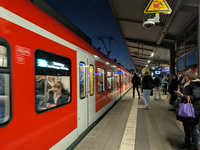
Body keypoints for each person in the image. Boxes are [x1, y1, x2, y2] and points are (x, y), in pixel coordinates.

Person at [175, 68, 200, 150]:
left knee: (192, 129)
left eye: (185, 75)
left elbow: (195, 97)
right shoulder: (187, 83)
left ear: (189, 75)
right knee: (186, 127)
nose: (184, 77)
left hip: (192, 109)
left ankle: (194, 146)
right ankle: (187, 143)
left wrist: (182, 96)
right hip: (187, 109)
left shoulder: (196, 84)